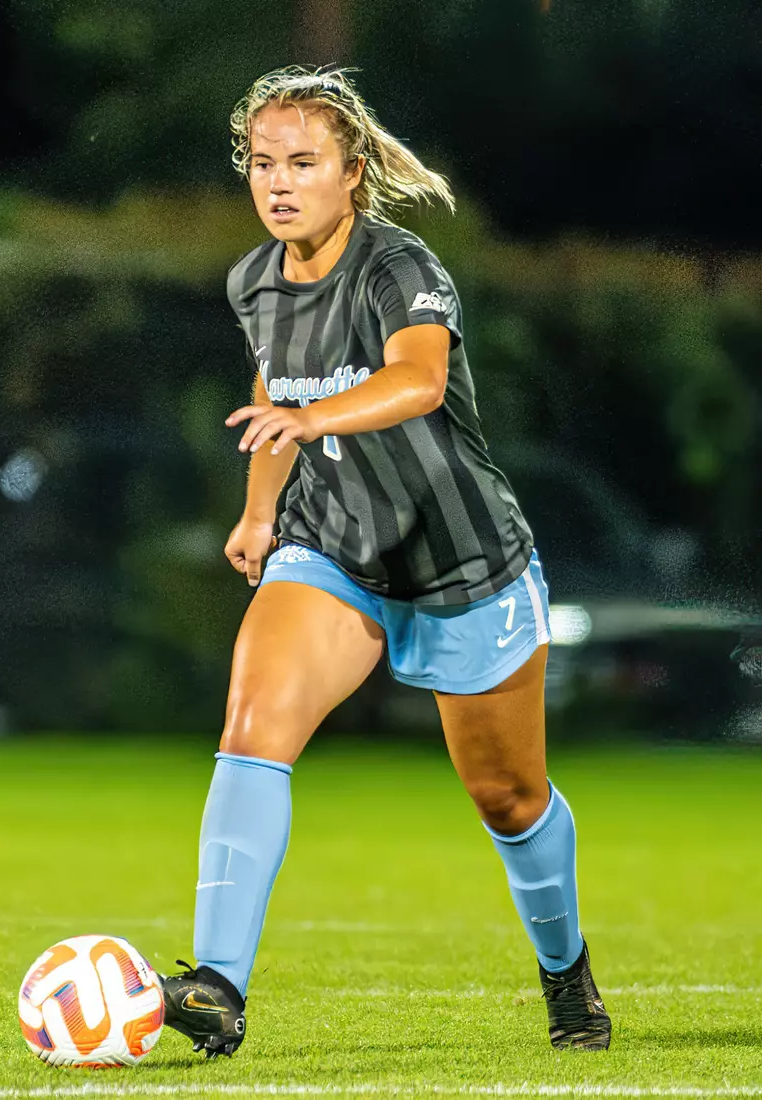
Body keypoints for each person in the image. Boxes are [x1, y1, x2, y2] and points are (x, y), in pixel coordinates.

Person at [157, 64, 611, 1058]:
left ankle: (565, 968)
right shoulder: (255, 278)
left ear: (350, 173)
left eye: (303, 163)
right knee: (253, 720)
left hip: (461, 563)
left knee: (508, 793)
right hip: (333, 551)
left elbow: (415, 377)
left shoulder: (398, 266)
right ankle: (217, 985)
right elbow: (277, 384)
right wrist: (260, 511)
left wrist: (310, 416)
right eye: (263, 164)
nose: (279, 183)